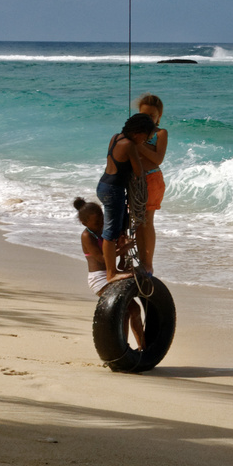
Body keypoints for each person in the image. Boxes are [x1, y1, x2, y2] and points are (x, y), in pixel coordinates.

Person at [74, 197, 143, 347]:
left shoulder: (105, 231)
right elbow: (101, 259)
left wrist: (123, 249)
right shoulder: (87, 236)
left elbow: (116, 251)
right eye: (97, 223)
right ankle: (126, 348)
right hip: (99, 279)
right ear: (85, 223)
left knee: (129, 310)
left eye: (102, 220)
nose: (101, 224)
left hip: (111, 274)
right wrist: (124, 248)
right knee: (132, 308)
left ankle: (138, 348)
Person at [97, 112, 157, 272]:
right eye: (144, 139)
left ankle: (122, 262)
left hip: (104, 185)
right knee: (110, 233)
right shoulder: (130, 145)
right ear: (138, 133)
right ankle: (111, 273)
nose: (143, 142)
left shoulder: (115, 137)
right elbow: (138, 171)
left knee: (120, 226)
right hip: (114, 190)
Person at [134, 94, 167, 273]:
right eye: (144, 116)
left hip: (152, 179)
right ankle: (140, 260)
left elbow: (157, 159)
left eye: (152, 116)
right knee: (138, 222)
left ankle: (148, 264)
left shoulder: (160, 134)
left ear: (159, 116)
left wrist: (139, 146)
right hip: (135, 180)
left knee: (147, 221)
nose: (148, 120)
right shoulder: (134, 133)